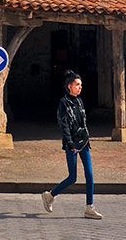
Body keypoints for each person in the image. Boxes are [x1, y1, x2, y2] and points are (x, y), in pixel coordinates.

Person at [41, 70, 102, 219]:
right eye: (77, 85)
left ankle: (89, 207)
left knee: (90, 175)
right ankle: (50, 195)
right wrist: (70, 143)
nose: (80, 87)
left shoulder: (80, 101)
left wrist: (87, 137)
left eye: (81, 85)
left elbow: (82, 122)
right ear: (69, 86)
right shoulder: (63, 103)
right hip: (72, 144)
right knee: (72, 177)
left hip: (84, 142)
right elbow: (64, 125)